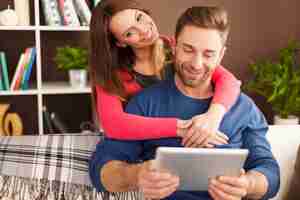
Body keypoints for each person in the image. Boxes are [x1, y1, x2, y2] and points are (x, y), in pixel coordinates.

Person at [89, 6, 280, 200]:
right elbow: (101, 170)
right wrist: (137, 175)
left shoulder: (243, 107)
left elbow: (269, 171)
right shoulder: (143, 103)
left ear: (221, 55)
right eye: (188, 50)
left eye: (208, 54)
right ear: (174, 47)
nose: (196, 64)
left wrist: (248, 184)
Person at [89, 0, 242, 147]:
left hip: (185, 142)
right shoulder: (111, 74)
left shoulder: (178, 49)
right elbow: (113, 125)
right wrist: (181, 128)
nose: (144, 30)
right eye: (129, 33)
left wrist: (213, 116)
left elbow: (229, 81)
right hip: (141, 146)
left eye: (139, 18)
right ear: (120, 42)